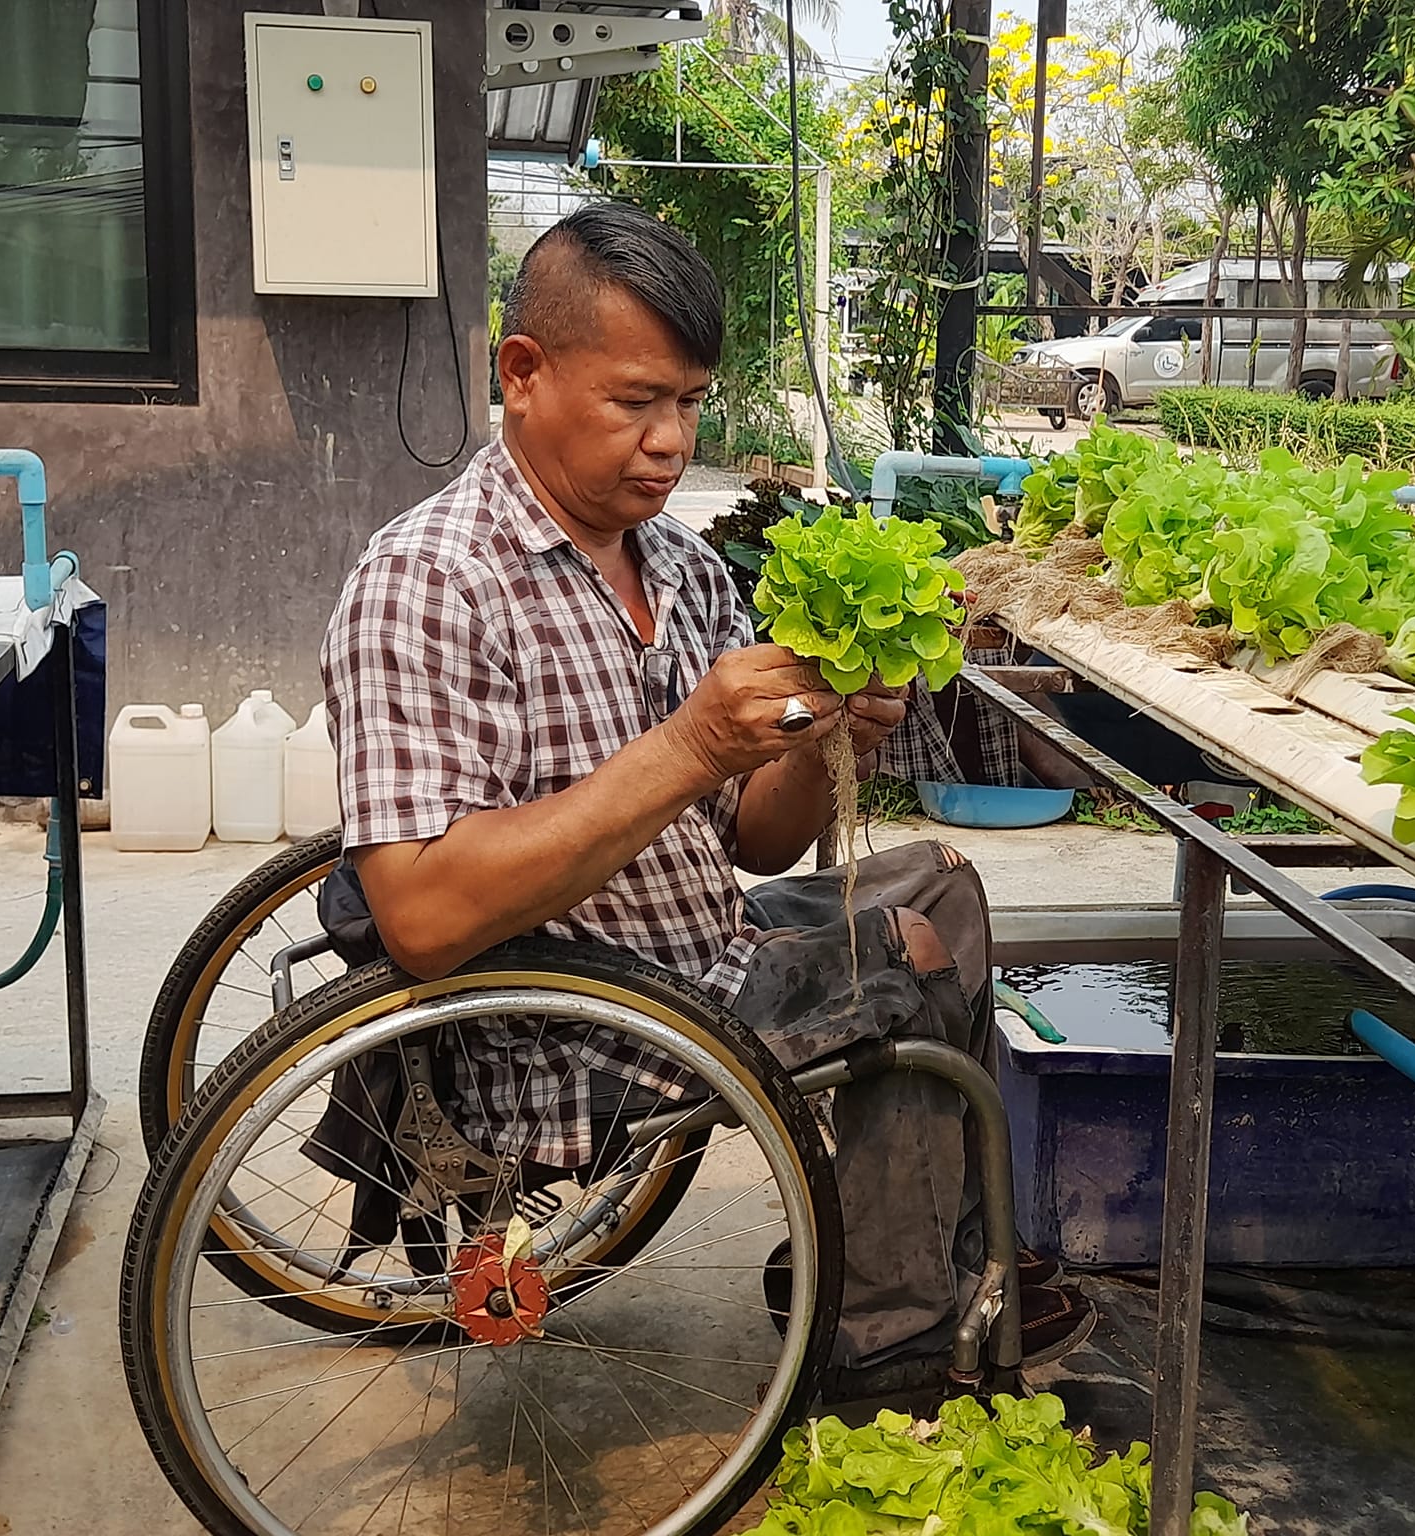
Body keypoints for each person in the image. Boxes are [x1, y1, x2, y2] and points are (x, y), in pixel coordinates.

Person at [318, 200, 1095, 1390]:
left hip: (698, 942)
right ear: (521, 374)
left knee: (940, 880)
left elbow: (760, 841)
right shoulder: (428, 583)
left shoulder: (677, 564)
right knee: (904, 962)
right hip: (573, 1023)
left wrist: (828, 738)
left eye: (688, 403)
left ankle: (911, 1255)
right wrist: (688, 744)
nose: (670, 441)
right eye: (636, 401)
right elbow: (422, 919)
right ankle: (887, 1342)